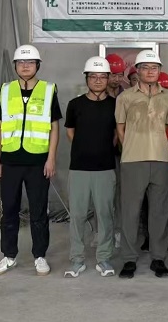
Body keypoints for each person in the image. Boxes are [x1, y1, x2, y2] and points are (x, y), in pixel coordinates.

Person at [0, 45, 62, 277]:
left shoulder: (48, 90)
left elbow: (54, 127)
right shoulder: (6, 90)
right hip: (10, 161)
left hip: (38, 162)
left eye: (30, 62)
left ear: (37, 65)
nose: (25, 66)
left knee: (38, 211)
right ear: (15, 66)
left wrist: (51, 158)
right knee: (9, 210)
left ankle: (39, 256)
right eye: (21, 62)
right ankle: (9, 256)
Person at [116, 50, 168, 279]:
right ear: (137, 71)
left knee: (159, 212)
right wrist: (131, 146)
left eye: (154, 68)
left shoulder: (167, 97)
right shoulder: (125, 97)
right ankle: (129, 259)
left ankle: (158, 258)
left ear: (159, 71)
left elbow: (166, 127)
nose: (150, 71)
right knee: (130, 212)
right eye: (145, 68)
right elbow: (120, 128)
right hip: (132, 160)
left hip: (161, 159)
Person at [63, 57, 117, 278]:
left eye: (102, 76)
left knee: (105, 215)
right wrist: (84, 148)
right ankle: (77, 260)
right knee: (77, 215)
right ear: (86, 79)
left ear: (108, 79)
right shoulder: (75, 105)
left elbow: (117, 134)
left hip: (105, 168)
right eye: (93, 76)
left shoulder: (115, 104)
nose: (97, 80)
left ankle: (104, 258)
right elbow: (70, 132)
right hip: (79, 168)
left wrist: (103, 149)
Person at [140, 73, 168, 253]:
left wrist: (164, 142)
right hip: (150, 162)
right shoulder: (146, 111)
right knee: (147, 204)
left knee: (167, 205)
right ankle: (148, 238)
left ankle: (166, 238)